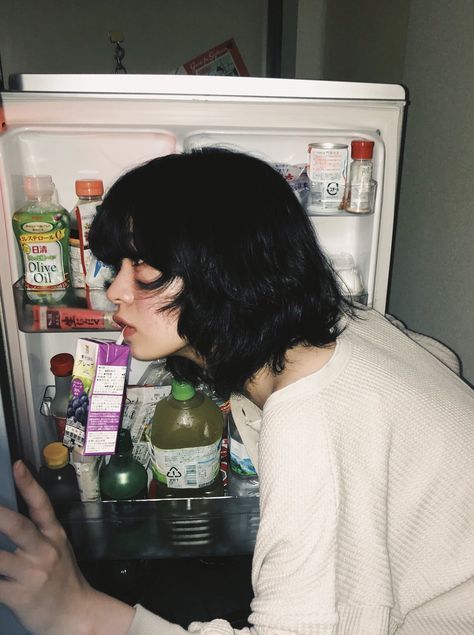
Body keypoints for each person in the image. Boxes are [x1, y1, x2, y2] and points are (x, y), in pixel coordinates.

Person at [0, 148, 473, 635]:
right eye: (117, 266)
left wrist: (79, 612)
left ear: (224, 269)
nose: (115, 290)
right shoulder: (352, 326)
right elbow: (443, 361)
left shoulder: (309, 421)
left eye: (142, 269)